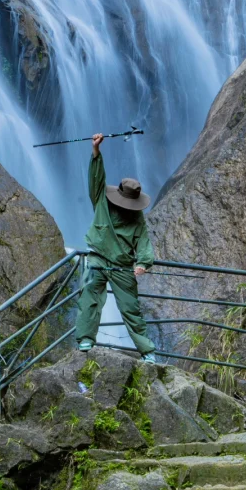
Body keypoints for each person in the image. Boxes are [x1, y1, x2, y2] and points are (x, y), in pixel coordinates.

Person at [74, 132, 157, 363]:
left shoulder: (137, 217)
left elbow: (143, 241)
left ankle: (147, 350)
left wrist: (143, 263)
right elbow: (96, 178)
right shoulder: (101, 198)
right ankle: (85, 339)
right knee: (89, 295)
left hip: (122, 265)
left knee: (130, 308)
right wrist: (96, 150)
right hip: (98, 258)